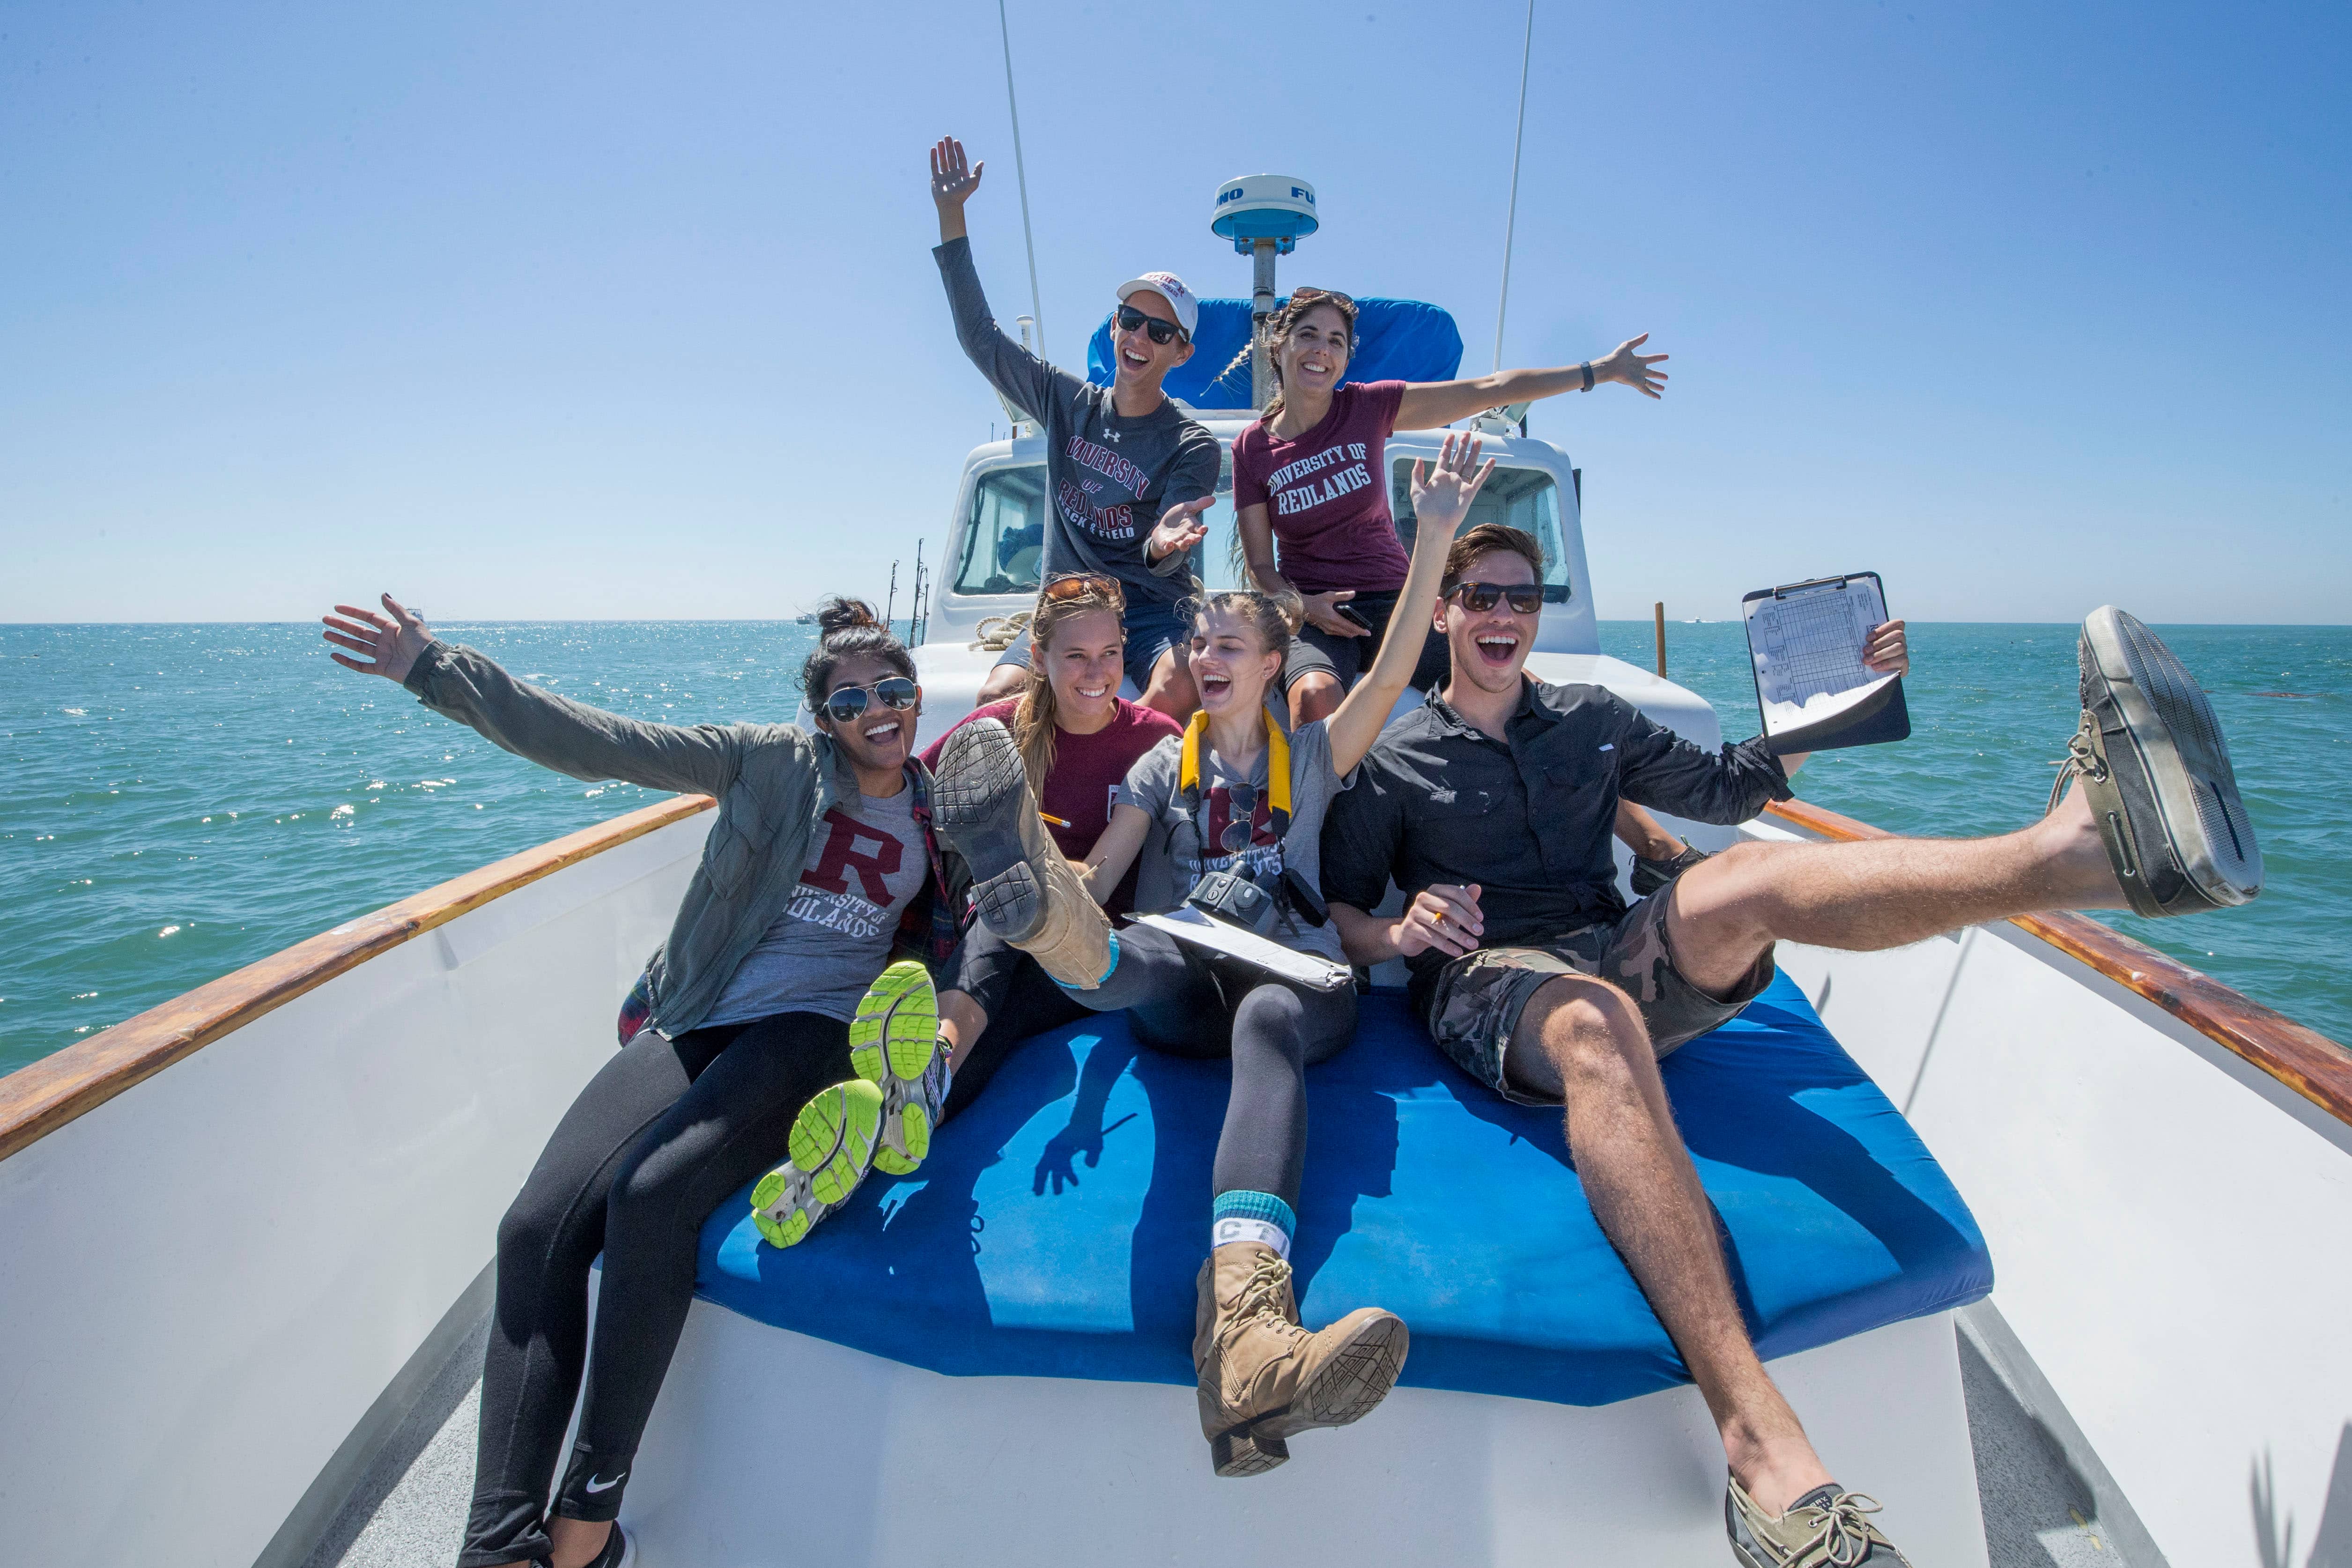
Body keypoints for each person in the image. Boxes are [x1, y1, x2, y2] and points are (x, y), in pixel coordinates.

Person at [1317, 523, 2262, 1566]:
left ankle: (2076, 859)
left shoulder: (1592, 719)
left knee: (1736, 881)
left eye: (1523, 597)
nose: (1505, 615)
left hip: (1610, 947)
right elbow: (1346, 917)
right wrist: (1400, 934)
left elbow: (1734, 789)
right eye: (1483, 597)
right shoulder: (1398, 759)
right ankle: (1765, 1453)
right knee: (1597, 1023)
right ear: (1443, 612)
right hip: (1492, 981)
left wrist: (1838, 691)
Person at [318, 596, 966, 1568]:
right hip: (699, 1011)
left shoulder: (938, 809)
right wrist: (434, 670)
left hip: (816, 1030)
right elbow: (602, 742)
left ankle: (584, 1529)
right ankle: (494, 1550)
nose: (878, 710)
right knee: (533, 1230)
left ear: (916, 700)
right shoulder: (766, 761)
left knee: (651, 1195)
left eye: (894, 691)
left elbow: (1000, 912)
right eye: (850, 700)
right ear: (820, 717)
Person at [927, 433, 1497, 1479]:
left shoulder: (1318, 757)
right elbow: (1108, 871)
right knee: (1133, 946)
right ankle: (1043, 923)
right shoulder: (1157, 765)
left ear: (1273, 664)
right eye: (1202, 645)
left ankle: (1244, 1329)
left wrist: (1437, 538)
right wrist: (1064, 890)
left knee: (1270, 1017)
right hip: (1179, 976)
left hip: (1297, 980)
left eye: (1233, 644)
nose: (1209, 658)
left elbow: (1397, 659)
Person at [1231, 286, 1693, 875]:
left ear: (1348, 357)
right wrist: (1305, 605)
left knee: (1530, 704)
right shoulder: (1253, 446)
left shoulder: (1367, 408)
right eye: (1308, 336)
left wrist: (1597, 371)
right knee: (1316, 698)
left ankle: (1655, 846)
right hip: (1317, 611)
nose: (1321, 351)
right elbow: (1261, 568)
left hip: (1400, 601)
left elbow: (1487, 391)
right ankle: (1301, 866)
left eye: (1336, 341)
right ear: (1280, 343)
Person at [930, 133, 1219, 719]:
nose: (1140, 338)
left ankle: (1135, 809)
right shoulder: (1064, 402)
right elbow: (979, 340)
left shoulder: (1192, 444)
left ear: (1181, 354)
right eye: (1132, 322)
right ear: (1114, 326)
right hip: (1067, 604)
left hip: (1151, 608)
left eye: (1159, 333)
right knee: (994, 697)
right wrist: (952, 214)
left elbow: (1173, 533)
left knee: (1178, 688)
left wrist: (1163, 545)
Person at [914, 572, 1184, 1117]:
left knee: (1008, 984)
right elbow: (910, 796)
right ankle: (917, 1098)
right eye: (1076, 656)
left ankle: (918, 1086)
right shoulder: (998, 731)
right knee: (1004, 917)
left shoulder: (1156, 738)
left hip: (1094, 953)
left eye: (1110, 653)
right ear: (1038, 658)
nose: (1097, 673)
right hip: (1000, 935)